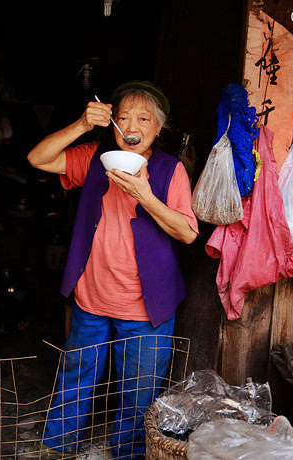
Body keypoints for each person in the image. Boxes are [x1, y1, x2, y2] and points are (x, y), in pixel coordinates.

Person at [24, 81, 198, 459]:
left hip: (148, 307)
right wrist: (82, 125)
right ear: (112, 124)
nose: (131, 126)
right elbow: (38, 159)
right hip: (92, 297)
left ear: (158, 128)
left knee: (139, 394)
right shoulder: (96, 158)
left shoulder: (171, 171)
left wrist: (144, 195)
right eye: (122, 118)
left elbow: (187, 233)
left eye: (143, 119)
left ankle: (128, 455)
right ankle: (56, 448)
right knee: (75, 379)